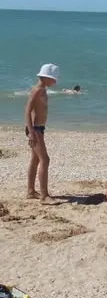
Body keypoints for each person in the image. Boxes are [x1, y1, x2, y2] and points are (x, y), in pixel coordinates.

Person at [24, 63, 60, 204]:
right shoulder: (37, 90)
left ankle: (31, 191)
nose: (55, 82)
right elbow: (27, 111)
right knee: (45, 159)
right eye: (53, 79)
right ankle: (44, 196)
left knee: (35, 159)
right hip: (35, 129)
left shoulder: (43, 90)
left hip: (39, 128)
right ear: (46, 77)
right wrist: (31, 132)